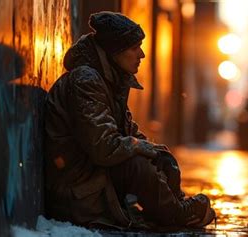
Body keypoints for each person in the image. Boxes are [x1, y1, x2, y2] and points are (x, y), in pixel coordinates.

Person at [44, 11, 215, 229]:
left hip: (92, 175)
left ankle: (174, 206)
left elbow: (127, 132)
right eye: (134, 48)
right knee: (136, 164)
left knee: (157, 157)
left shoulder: (109, 80)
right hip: (75, 191)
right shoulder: (86, 81)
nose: (141, 54)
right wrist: (140, 148)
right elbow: (104, 147)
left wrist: (156, 152)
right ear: (115, 51)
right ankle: (175, 214)